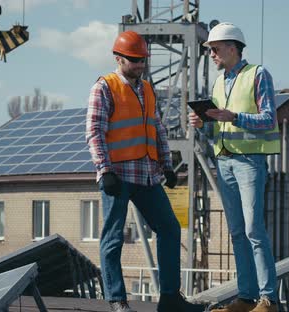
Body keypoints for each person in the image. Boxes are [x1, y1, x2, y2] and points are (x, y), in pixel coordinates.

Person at [87, 30, 206, 312]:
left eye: (143, 60)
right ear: (119, 59)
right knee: (113, 237)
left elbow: (157, 128)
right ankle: (117, 300)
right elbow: (94, 132)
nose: (140, 65)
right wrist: (104, 170)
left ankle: (170, 300)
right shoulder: (104, 87)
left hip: (146, 174)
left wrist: (167, 164)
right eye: (134, 60)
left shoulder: (147, 89)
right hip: (117, 176)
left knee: (169, 228)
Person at [188, 23, 280, 312]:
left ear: (232, 47)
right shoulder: (218, 83)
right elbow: (217, 130)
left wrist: (234, 116)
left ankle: (269, 299)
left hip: (250, 161)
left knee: (254, 230)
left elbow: (268, 118)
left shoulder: (258, 74)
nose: (211, 55)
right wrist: (203, 125)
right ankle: (247, 297)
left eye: (214, 49)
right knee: (238, 232)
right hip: (224, 161)